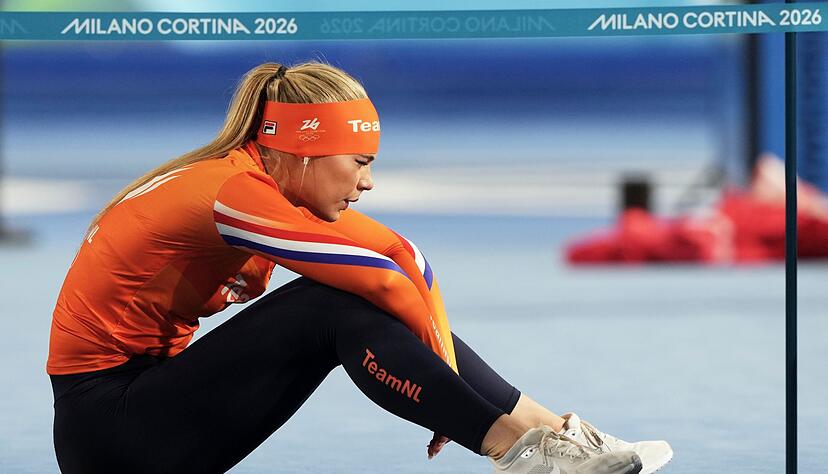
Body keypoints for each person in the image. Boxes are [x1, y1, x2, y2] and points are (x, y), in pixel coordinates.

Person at [47, 61, 672, 474]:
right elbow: (380, 280)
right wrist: (447, 400)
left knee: (344, 295)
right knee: (330, 303)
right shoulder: (232, 192)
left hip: (144, 404)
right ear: (304, 150)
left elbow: (407, 258)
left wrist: (443, 383)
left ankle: (550, 432)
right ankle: (516, 450)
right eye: (359, 161)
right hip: (111, 430)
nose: (368, 182)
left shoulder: (257, 180)